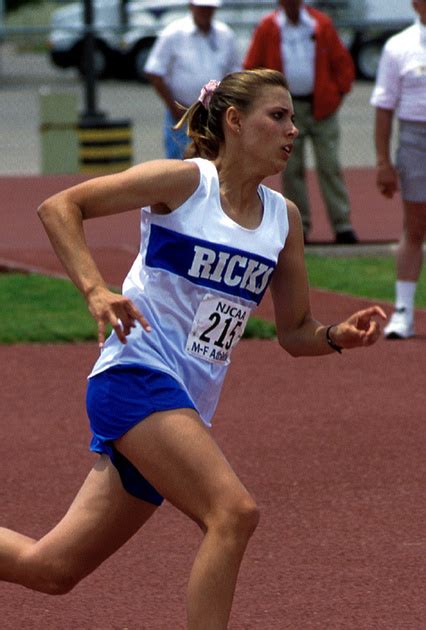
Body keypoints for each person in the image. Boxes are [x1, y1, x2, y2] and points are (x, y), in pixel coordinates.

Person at [0, 69, 386, 629]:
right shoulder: (184, 184)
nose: (292, 130)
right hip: (134, 375)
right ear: (234, 121)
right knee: (233, 513)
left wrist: (335, 336)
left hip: (184, 405)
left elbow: (295, 331)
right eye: (277, 116)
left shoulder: (284, 219)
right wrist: (94, 289)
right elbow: (60, 207)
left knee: (52, 569)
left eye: (294, 119)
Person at [243, 0, 358, 245]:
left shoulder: (320, 24)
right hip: (282, 110)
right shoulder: (268, 27)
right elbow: (251, 67)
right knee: (291, 168)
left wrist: (336, 95)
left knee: (329, 165)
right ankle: (300, 227)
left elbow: (343, 65)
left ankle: (342, 224)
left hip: (321, 106)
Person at [370, 0, 426, 340]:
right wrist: (382, 163)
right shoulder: (399, 45)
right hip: (415, 138)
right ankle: (403, 310)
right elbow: (384, 105)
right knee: (415, 225)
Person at [144, 0, 240, 159]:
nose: (205, 11)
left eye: (209, 8)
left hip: (214, 114)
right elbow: (154, 72)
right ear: (191, 6)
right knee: (179, 165)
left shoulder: (225, 35)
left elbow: (236, 73)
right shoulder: (173, 33)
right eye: (202, 7)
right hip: (183, 112)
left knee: (215, 164)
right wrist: (174, 108)